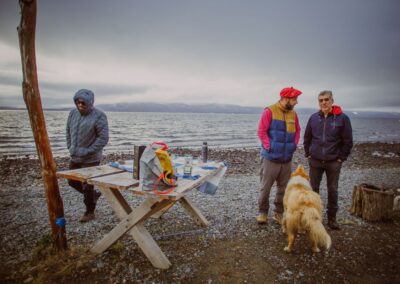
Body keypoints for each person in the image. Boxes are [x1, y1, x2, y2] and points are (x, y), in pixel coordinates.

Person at [304, 90, 353, 230]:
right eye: (321, 100)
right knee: (313, 190)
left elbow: (348, 141)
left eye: (326, 99)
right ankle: (314, 218)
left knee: (332, 190)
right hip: (315, 161)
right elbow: (307, 138)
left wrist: (341, 158)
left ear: (332, 100)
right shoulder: (313, 118)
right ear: (318, 102)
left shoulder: (342, 118)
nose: (323, 102)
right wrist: (308, 154)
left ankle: (332, 219)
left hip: (333, 162)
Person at [256, 87, 301, 225]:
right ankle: (263, 212)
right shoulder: (269, 111)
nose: (296, 102)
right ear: (286, 99)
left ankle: (278, 213)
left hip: (286, 158)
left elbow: (298, 130)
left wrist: (294, 145)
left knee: (283, 188)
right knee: (266, 187)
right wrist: (269, 147)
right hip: (270, 158)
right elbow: (261, 131)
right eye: (294, 99)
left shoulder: (293, 114)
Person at [66, 89, 109, 222]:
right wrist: (70, 147)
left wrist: (88, 151)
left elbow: (103, 138)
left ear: (90, 103)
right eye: (78, 102)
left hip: (91, 158)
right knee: (71, 181)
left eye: (83, 103)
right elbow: (68, 131)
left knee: (87, 185)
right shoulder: (72, 113)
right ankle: (94, 195)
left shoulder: (99, 116)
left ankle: (89, 212)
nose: (80, 105)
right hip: (75, 155)